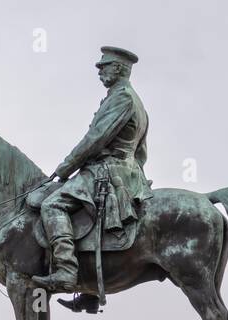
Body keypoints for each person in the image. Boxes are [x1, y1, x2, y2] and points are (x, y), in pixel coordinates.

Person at [34, 46, 152, 303]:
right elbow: (142, 153)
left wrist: (65, 166)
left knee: (52, 205)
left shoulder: (122, 98)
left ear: (118, 68)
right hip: (127, 170)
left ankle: (66, 271)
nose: (99, 71)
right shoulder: (133, 100)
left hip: (109, 170)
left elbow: (95, 140)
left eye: (104, 66)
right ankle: (88, 290)